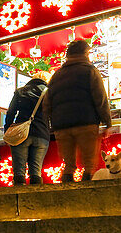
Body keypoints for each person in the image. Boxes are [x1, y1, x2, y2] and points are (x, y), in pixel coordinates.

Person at [44, 38, 111, 182]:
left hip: (62, 127)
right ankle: (87, 197)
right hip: (86, 124)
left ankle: (66, 197)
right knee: (89, 164)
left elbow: (46, 104)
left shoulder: (56, 75)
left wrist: (53, 123)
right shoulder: (90, 71)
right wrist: (107, 122)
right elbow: (100, 99)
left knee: (68, 165)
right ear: (85, 53)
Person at [3, 75, 49, 185]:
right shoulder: (48, 93)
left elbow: (10, 113)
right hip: (42, 133)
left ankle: (18, 196)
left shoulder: (20, 92)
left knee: (19, 170)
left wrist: (7, 130)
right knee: (36, 171)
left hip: (21, 133)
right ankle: (35, 197)